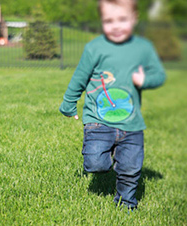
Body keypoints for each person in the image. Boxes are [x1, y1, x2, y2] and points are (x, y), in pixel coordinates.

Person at [59, 0, 166, 209]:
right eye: (109, 21)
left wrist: (145, 81)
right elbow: (79, 78)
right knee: (95, 163)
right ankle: (105, 162)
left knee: (130, 168)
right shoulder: (95, 48)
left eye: (122, 19)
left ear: (135, 18)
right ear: (102, 22)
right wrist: (68, 103)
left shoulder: (143, 48)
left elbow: (159, 75)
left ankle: (126, 203)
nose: (115, 26)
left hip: (131, 122)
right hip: (98, 121)